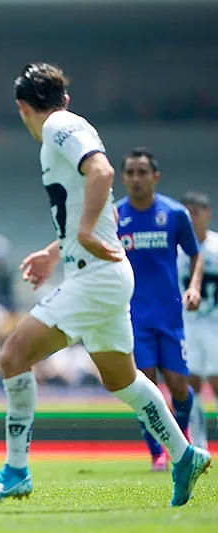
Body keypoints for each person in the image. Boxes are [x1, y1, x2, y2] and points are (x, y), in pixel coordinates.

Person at [0, 63, 210, 507]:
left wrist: (80, 234)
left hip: (97, 277)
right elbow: (97, 205)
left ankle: (16, 471)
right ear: (65, 96)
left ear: (23, 108)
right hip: (98, 275)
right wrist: (54, 250)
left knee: (12, 355)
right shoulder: (67, 125)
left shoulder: (61, 126)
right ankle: (184, 453)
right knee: (122, 380)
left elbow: (102, 172)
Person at [117, 148, 204, 471]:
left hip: (170, 316)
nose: (136, 179)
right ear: (123, 177)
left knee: (180, 386)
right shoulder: (115, 217)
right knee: (146, 387)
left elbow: (196, 255)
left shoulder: (175, 214)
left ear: (155, 176)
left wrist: (193, 287)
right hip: (133, 317)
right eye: (130, 173)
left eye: (142, 172)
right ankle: (158, 453)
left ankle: (181, 438)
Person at [179, 192, 218, 451]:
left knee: (216, 381)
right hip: (188, 325)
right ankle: (199, 443)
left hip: (216, 324)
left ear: (208, 214)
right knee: (190, 384)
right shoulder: (177, 249)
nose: (192, 218)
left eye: (196, 212)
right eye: (187, 213)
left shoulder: (216, 246)